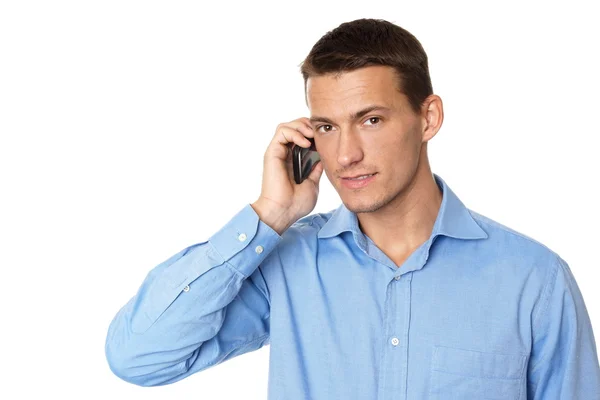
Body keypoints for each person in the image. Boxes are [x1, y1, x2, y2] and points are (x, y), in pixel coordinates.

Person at [105, 18, 600, 399]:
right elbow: (139, 357)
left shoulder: (534, 280)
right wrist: (269, 215)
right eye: (325, 127)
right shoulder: (287, 265)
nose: (344, 156)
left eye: (370, 120)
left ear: (427, 118)